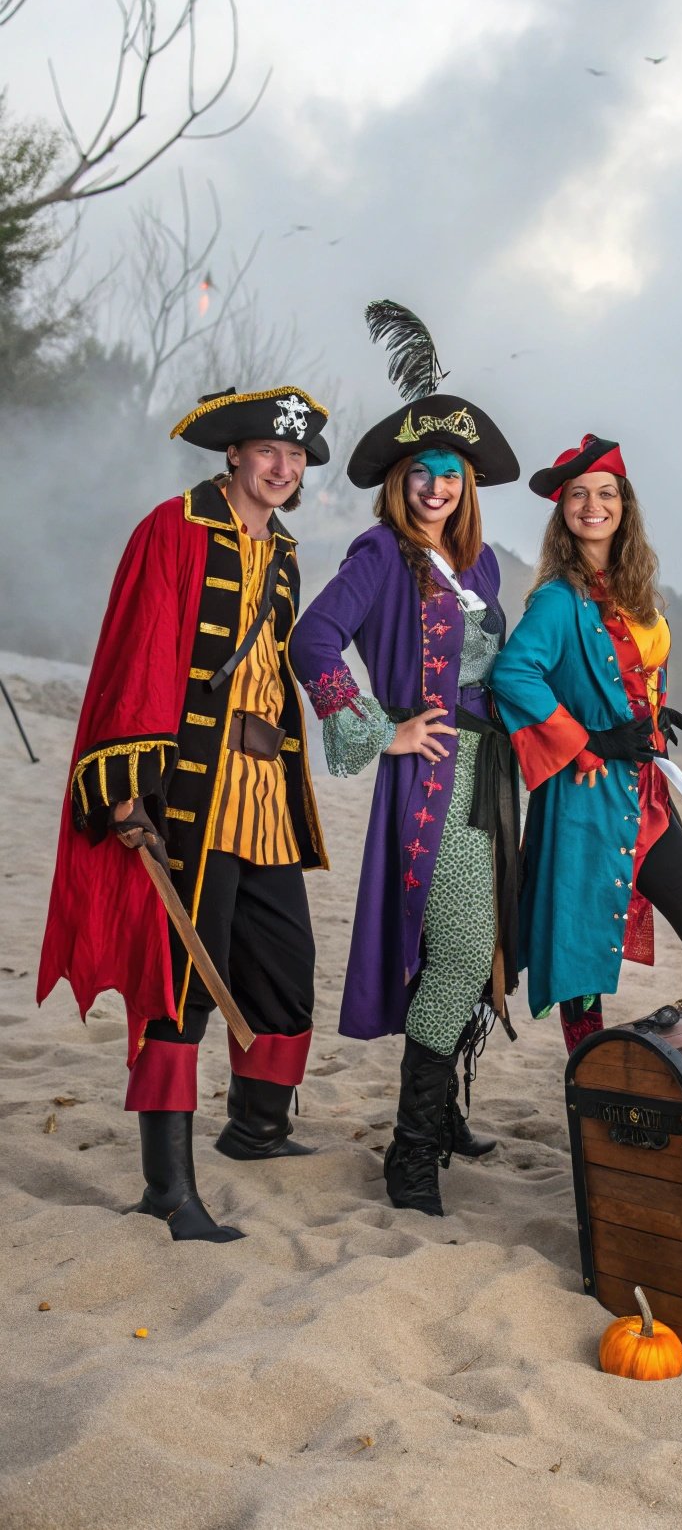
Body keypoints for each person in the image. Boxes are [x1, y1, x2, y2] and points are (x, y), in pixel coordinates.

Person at [38, 386, 331, 1243]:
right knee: (179, 985)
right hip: (190, 793)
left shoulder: (284, 555)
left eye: (295, 458)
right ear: (233, 456)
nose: (281, 468)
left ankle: (254, 1127)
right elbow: (136, 651)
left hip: (265, 795)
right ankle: (167, 1191)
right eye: (266, 452)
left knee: (283, 968)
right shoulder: (172, 528)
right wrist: (128, 792)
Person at [289, 389, 520, 1218]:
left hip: (492, 776)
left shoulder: (482, 565)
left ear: (468, 484)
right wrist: (373, 729)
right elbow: (311, 639)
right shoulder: (381, 554)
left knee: (481, 944)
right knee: (460, 952)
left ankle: (445, 1111)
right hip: (433, 776)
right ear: (398, 481)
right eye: (420, 473)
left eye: (450, 474)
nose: (435, 487)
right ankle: (411, 1149)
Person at [489, 434, 682, 1052]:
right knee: (578, 965)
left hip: (646, 796)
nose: (591, 505)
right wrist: (587, 739)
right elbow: (513, 674)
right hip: (588, 797)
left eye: (604, 494)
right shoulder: (557, 598)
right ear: (563, 510)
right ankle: (588, 1085)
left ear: (624, 505)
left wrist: (650, 711)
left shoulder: (633, 590)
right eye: (578, 495)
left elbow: (625, 670)